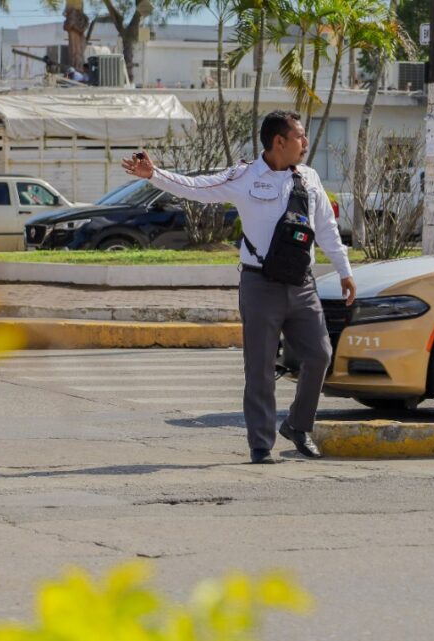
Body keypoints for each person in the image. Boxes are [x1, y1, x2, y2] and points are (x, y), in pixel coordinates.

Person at [121, 110, 356, 465]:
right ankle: (261, 445)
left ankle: (297, 424)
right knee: (260, 367)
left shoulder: (309, 178)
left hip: (301, 284)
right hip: (260, 284)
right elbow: (198, 188)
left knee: (320, 355)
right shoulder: (244, 176)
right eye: (300, 137)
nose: (305, 144)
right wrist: (154, 175)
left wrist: (344, 271)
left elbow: (326, 229)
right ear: (279, 141)